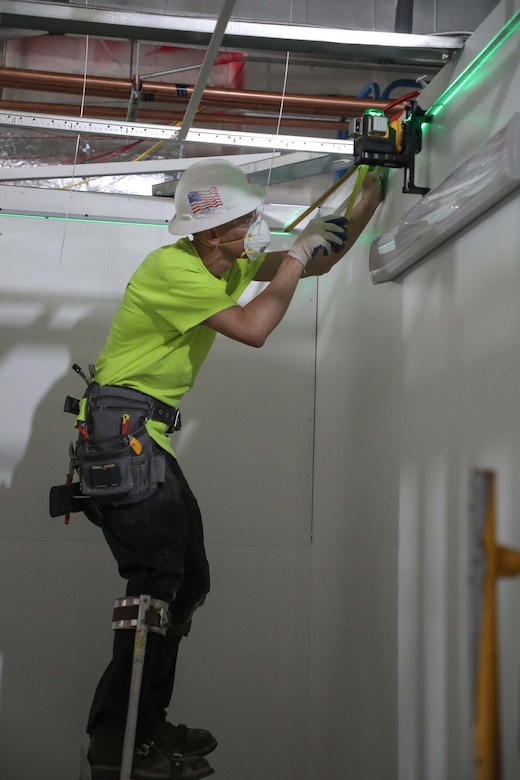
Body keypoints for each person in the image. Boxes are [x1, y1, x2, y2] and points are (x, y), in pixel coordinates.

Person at [82, 158, 384, 780]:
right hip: (123, 434)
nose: (256, 226)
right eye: (245, 218)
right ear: (211, 229)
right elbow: (254, 326)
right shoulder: (172, 268)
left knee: (187, 581)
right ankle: (120, 737)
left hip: (144, 435)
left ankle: (146, 723)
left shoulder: (225, 260)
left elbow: (319, 258)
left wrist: (369, 194)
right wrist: (297, 256)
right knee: (157, 579)